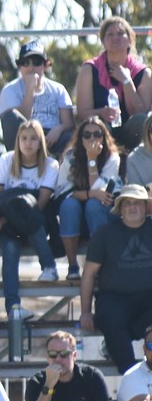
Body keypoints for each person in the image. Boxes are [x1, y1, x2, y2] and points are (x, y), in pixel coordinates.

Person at [0, 119, 61, 314]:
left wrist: (9, 218)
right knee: (9, 249)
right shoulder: (6, 160)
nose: (28, 143)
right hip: (7, 218)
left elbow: (41, 202)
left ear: (41, 141)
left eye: (33, 138)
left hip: (32, 217)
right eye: (24, 138)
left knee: (32, 218)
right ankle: (13, 307)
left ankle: (49, 266)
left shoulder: (51, 164)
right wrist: (6, 218)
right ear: (17, 141)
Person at [82, 183, 152, 373]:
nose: (132, 208)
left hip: (149, 300)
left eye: (137, 203)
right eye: (127, 203)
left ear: (146, 207)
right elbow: (89, 274)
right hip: (114, 298)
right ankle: (131, 378)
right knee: (109, 319)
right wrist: (85, 312)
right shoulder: (104, 234)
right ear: (120, 208)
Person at [73, 14, 152, 151]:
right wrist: (101, 112)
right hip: (102, 133)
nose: (115, 38)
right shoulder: (89, 70)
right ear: (103, 41)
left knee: (141, 120)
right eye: (110, 34)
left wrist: (127, 82)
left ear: (130, 41)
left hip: (131, 134)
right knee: (96, 123)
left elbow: (141, 113)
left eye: (121, 33)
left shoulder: (144, 73)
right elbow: (82, 113)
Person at [56, 118, 122, 281]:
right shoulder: (70, 157)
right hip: (76, 218)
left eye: (97, 134)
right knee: (69, 205)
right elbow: (62, 190)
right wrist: (89, 194)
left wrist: (92, 159)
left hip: (102, 216)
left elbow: (102, 192)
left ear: (103, 137)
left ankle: (101, 263)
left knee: (93, 205)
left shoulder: (112, 157)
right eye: (87, 135)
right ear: (80, 138)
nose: (92, 139)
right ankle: (72, 266)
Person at [0, 38, 75, 155]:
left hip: (52, 138)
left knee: (69, 138)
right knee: (10, 117)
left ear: (46, 65)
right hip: (25, 139)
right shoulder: (10, 90)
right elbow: (14, 122)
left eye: (36, 62)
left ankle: (62, 169)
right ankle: (18, 167)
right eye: (25, 63)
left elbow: (70, 124)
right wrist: (30, 89)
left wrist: (59, 129)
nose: (31, 67)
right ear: (19, 66)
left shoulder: (58, 89)